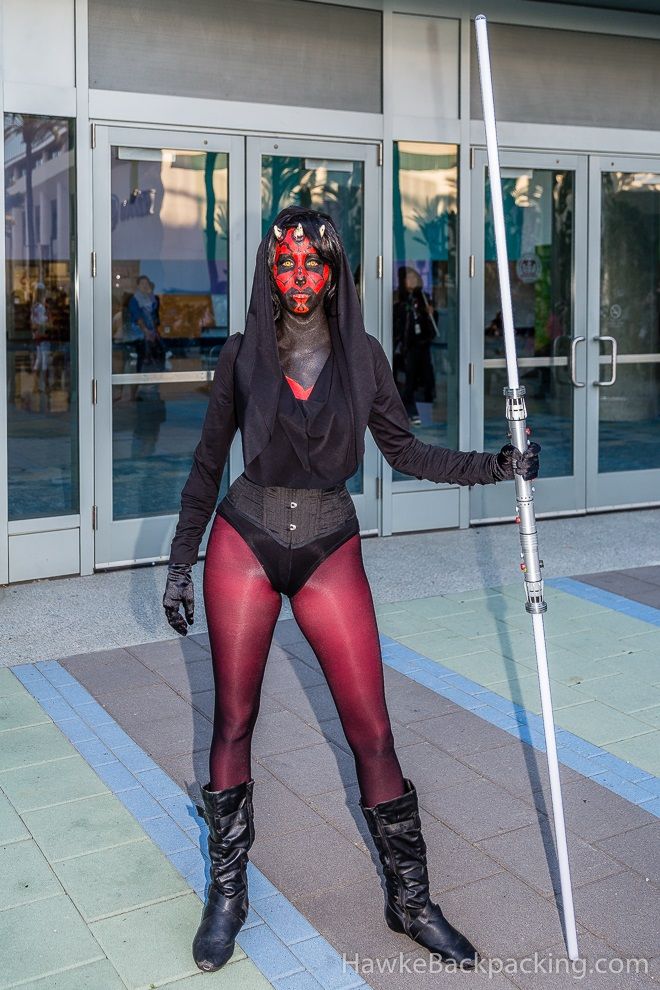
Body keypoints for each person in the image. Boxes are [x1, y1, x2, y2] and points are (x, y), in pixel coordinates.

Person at [162, 207, 540, 974]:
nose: (299, 277)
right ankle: (227, 895)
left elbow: (404, 451)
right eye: (285, 264)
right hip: (245, 541)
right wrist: (180, 561)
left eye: (313, 264)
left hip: (330, 542)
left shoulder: (363, 355)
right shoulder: (242, 354)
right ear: (271, 272)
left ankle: (410, 901)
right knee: (233, 721)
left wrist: (492, 468)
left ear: (334, 273)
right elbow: (208, 464)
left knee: (372, 731)